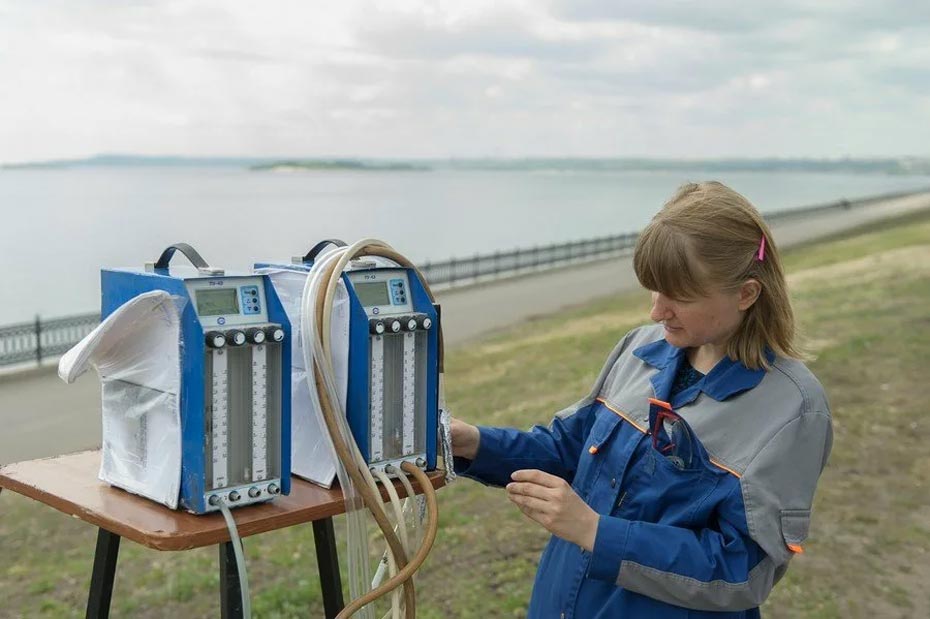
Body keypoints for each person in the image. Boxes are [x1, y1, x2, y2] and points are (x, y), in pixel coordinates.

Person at [450, 181, 833, 619]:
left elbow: (742, 571)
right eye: (654, 288)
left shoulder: (793, 409)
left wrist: (595, 531)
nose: (656, 312)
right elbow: (567, 450)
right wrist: (474, 443)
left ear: (746, 294)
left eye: (680, 296)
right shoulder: (639, 348)